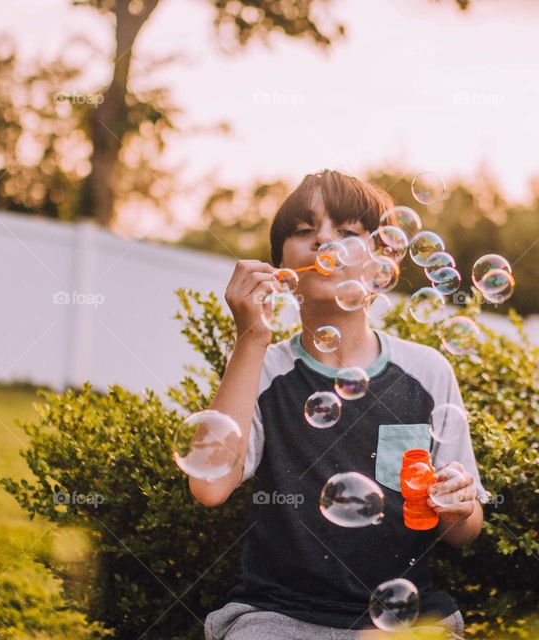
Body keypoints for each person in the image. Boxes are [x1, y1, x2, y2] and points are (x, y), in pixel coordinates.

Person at [193, 170, 488, 639]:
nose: (323, 241)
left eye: (347, 231)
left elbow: (464, 532)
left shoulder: (427, 372)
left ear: (382, 262)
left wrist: (458, 505)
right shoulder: (264, 369)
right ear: (281, 268)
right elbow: (208, 486)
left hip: (404, 621)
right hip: (278, 617)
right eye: (303, 230)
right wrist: (250, 337)